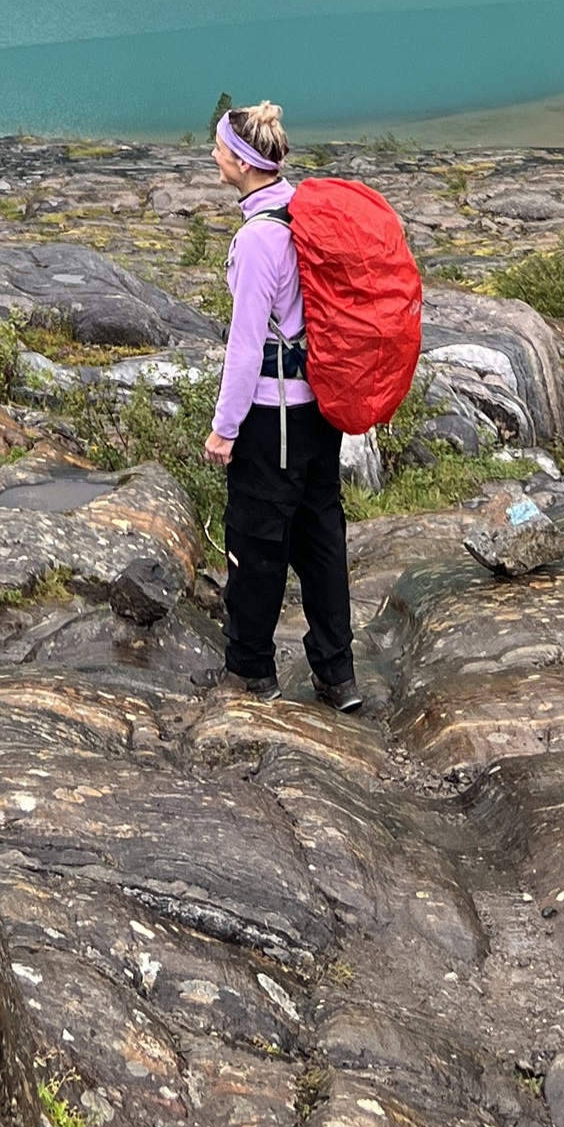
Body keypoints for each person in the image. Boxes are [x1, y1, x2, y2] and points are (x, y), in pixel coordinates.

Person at [200, 101, 361, 713]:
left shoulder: (258, 239)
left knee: (256, 539)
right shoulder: (304, 217)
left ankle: (249, 673)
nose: (214, 156)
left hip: (275, 417)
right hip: (319, 409)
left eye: (218, 149)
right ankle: (337, 676)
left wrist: (224, 430)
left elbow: (245, 350)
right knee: (321, 539)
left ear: (242, 163)